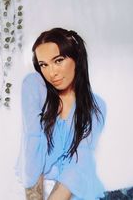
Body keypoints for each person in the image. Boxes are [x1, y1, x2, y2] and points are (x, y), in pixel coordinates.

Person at [15, 27, 106, 200]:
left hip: (72, 189)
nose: (52, 72)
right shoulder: (34, 86)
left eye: (58, 60)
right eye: (44, 65)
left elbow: (78, 163)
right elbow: (31, 141)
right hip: (34, 187)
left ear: (76, 58)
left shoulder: (96, 106)